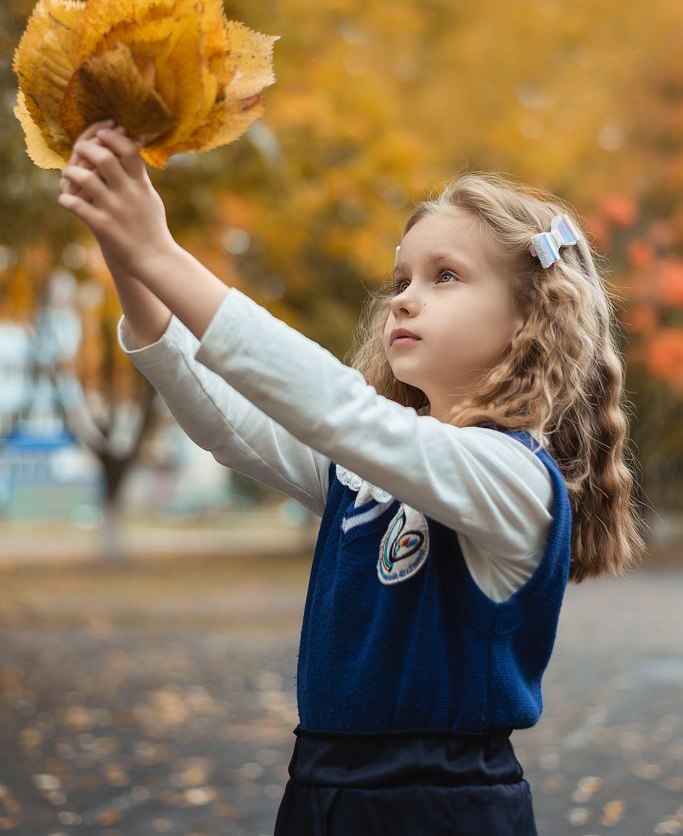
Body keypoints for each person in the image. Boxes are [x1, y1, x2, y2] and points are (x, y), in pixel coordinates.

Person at [57, 119, 648, 836]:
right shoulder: (371, 474)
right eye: (401, 279)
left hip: (443, 806)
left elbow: (336, 409)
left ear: (529, 316)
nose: (403, 297)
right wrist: (130, 255)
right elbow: (221, 417)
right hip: (319, 790)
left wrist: (161, 249)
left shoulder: (513, 480)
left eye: (445, 276)